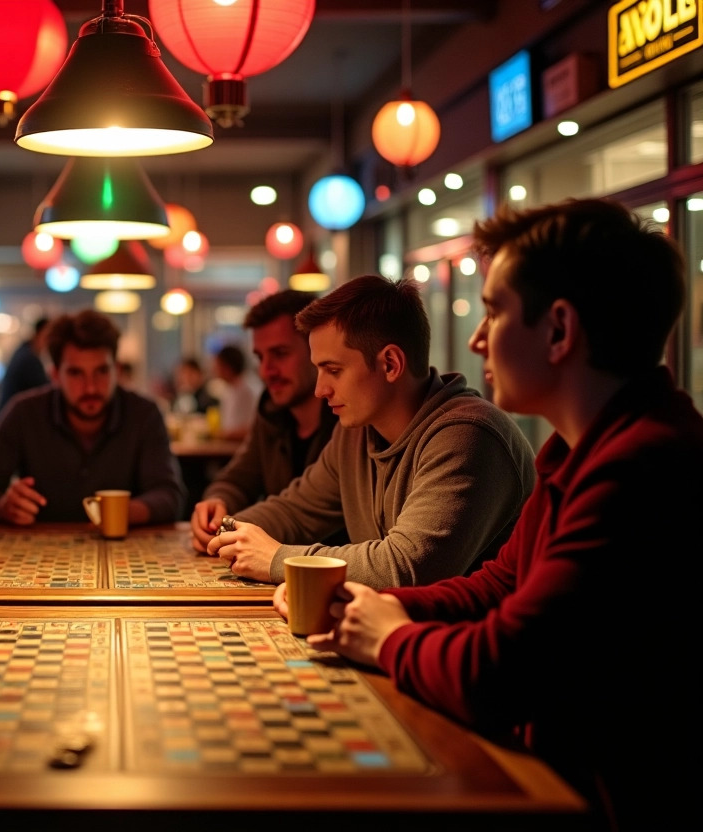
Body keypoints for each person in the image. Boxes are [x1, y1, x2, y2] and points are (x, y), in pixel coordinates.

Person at [279, 198, 702, 831]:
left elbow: (501, 673)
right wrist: (368, 607)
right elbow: (499, 585)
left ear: (559, 331)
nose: (476, 339)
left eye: (495, 312)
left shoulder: (642, 466)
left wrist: (389, 637)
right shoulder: (579, 452)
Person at [208, 274, 535, 588]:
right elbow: (297, 510)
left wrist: (277, 559)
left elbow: (406, 568)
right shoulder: (356, 432)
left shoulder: (467, 435)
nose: (321, 390)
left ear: (391, 364)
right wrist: (224, 528)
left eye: (332, 370)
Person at [0, 309, 185, 525]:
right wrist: (3, 505)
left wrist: (120, 514)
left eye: (101, 371)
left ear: (116, 370)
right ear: (55, 375)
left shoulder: (144, 413)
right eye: (76, 373)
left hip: (127, 550)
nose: (91, 387)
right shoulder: (25, 412)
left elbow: (170, 496)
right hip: (41, 552)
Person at [190, 290, 337, 552]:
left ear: (316, 350)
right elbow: (237, 479)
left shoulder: (349, 420)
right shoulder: (271, 413)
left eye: (280, 354)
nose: (266, 371)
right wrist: (217, 503)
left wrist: (232, 528)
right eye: (260, 357)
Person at [0, 316, 50, 413]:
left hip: (9, 414)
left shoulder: (23, 352)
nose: (49, 342)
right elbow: (45, 389)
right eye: (47, 337)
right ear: (38, 334)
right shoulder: (28, 358)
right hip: (13, 416)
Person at [208, 344, 259, 441]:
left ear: (227, 367)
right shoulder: (231, 389)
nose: (214, 369)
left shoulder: (247, 390)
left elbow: (253, 428)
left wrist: (222, 434)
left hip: (239, 447)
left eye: (217, 364)